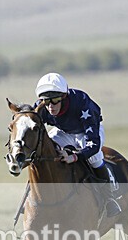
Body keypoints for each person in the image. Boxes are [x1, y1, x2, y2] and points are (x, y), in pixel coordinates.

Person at [34, 72, 121, 217]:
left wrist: (74, 157)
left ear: (64, 97)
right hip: (64, 132)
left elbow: (93, 144)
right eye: (46, 101)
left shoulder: (82, 103)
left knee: (95, 158)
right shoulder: (41, 107)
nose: (50, 106)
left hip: (87, 131)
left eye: (55, 99)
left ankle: (109, 198)